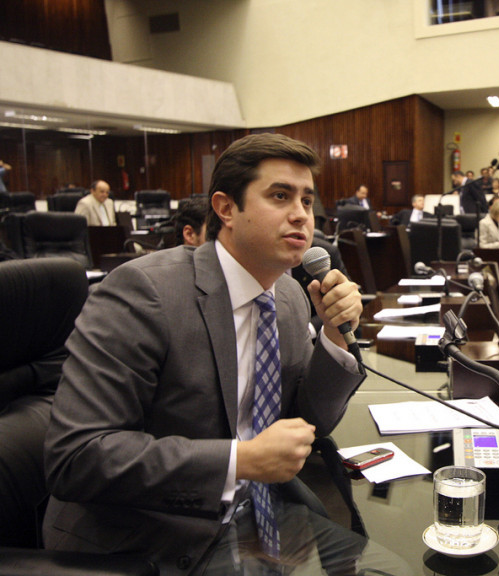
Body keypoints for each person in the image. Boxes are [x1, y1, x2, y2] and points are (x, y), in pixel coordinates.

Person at [43, 133, 375, 575]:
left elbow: (307, 423)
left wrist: (333, 337)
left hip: (262, 517)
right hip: (148, 538)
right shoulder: (144, 292)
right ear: (225, 209)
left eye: (307, 200)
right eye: (280, 196)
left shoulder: (291, 297)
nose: (300, 215)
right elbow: (79, 456)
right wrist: (240, 460)